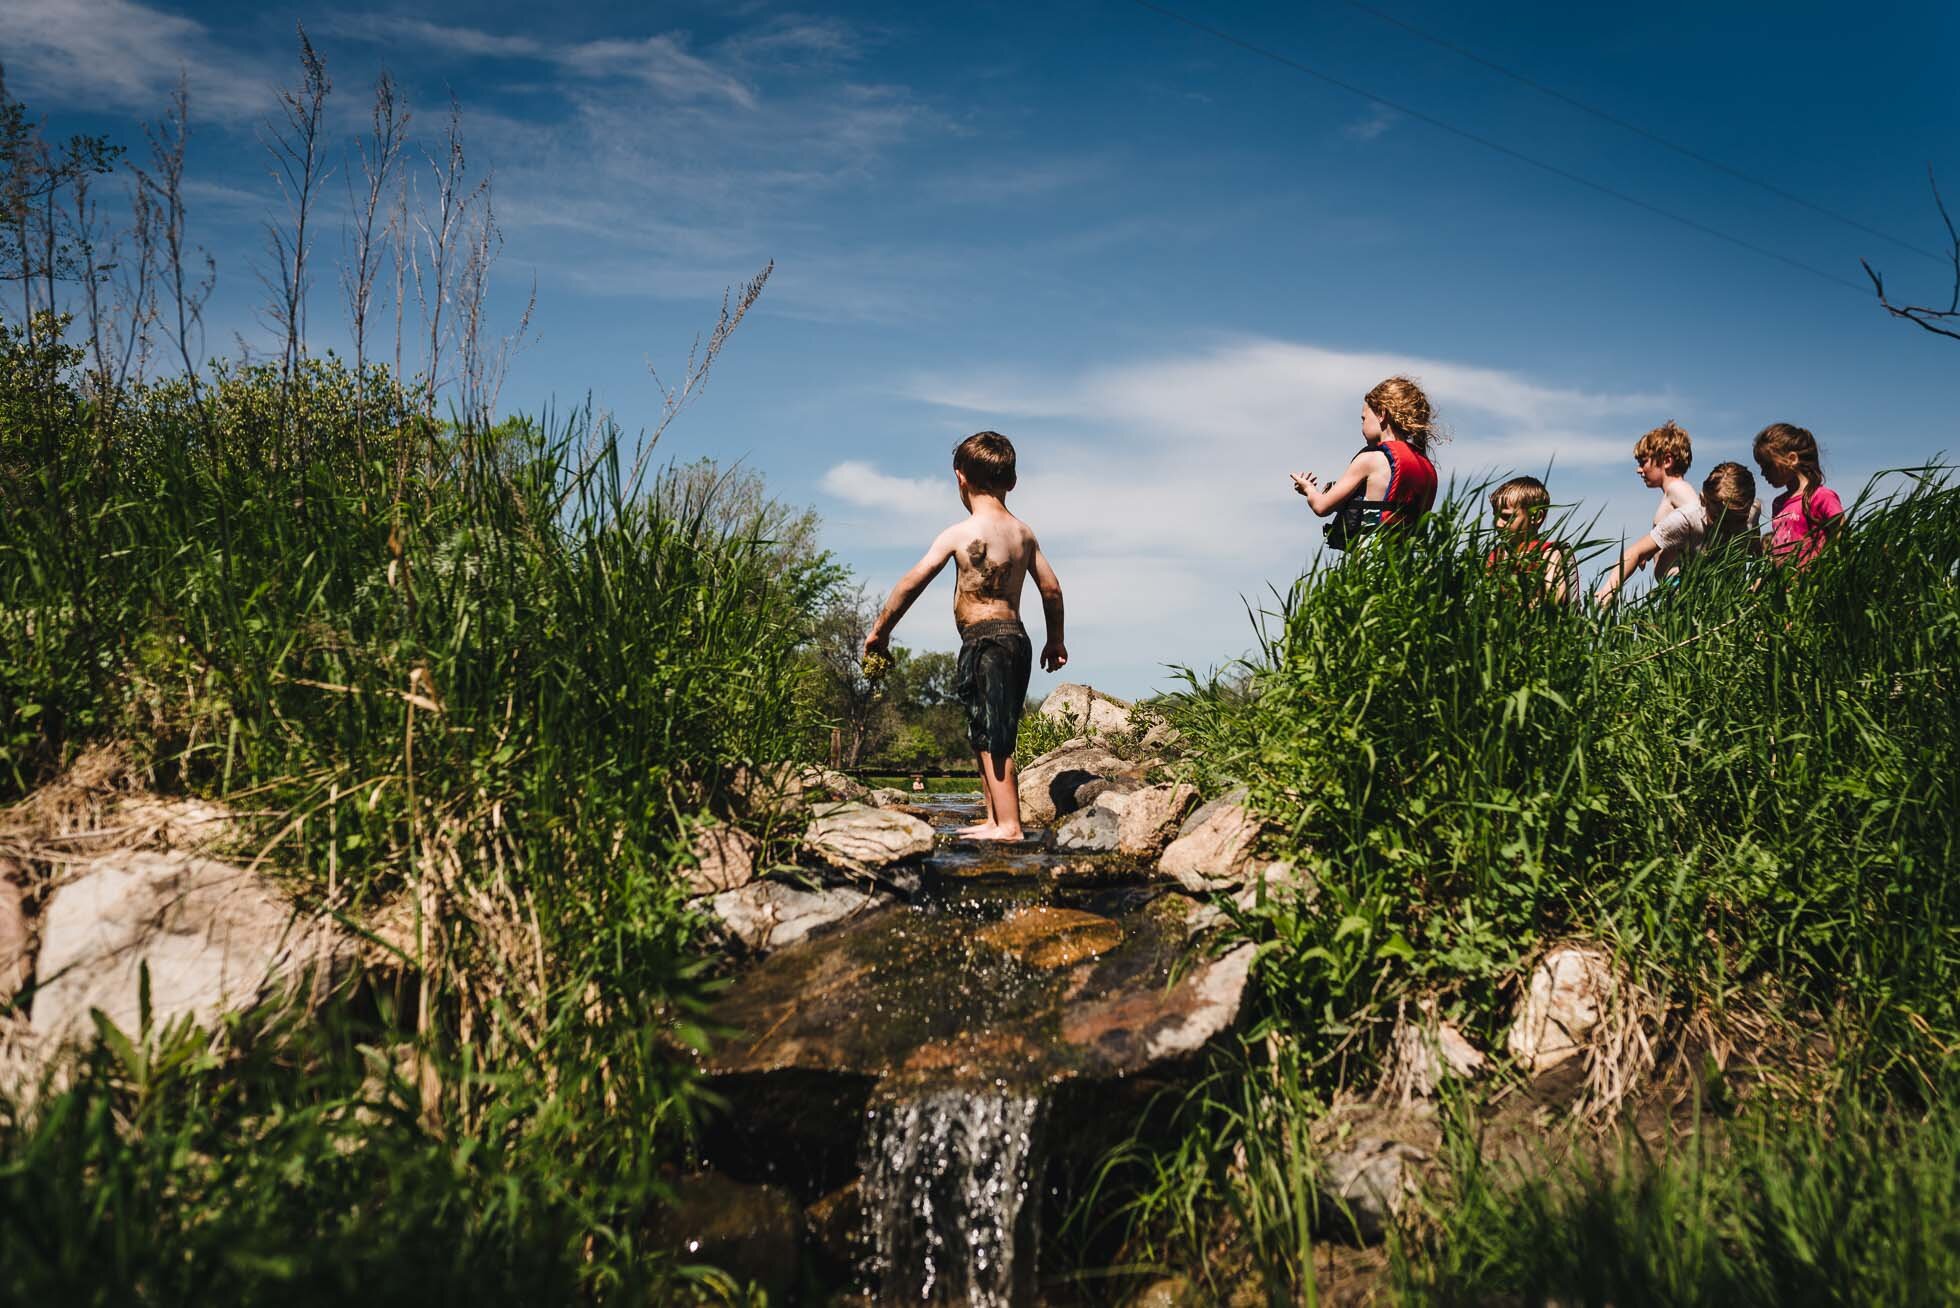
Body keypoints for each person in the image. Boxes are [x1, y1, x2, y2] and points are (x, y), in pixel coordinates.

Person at [863, 431, 1066, 841]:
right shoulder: (1024, 534)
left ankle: (1009, 826)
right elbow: (1051, 589)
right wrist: (1055, 639)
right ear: (1012, 482)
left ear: (961, 479)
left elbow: (912, 582)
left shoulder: (960, 533)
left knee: (993, 733)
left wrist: (880, 630)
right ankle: (994, 817)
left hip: (984, 640)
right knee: (985, 727)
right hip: (1017, 638)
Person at [1291, 375, 1440, 550]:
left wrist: (1308, 489)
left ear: (1382, 414)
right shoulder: (1424, 465)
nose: (1362, 425)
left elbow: (1321, 507)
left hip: (1370, 559)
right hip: (1404, 562)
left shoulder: (1370, 460)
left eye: (1364, 418)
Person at [1595, 421, 1701, 606]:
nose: (1639, 470)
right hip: (1675, 585)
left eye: (1643, 462)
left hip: (1681, 584)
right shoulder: (1671, 494)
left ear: (1667, 461)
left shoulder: (1678, 489)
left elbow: (1697, 519)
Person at [1753, 422, 1844, 565]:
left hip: (1811, 583)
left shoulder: (1821, 496)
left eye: (1768, 465)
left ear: (1792, 459)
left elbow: (1842, 535)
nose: (1763, 473)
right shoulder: (1778, 504)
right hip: (1784, 585)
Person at [1485, 475, 1572, 602]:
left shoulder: (1548, 554)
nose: (1498, 523)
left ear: (1536, 516)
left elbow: (1557, 597)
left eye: (1506, 516)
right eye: (1496, 516)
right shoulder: (1495, 557)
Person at [1700, 461, 1762, 555]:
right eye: (1718, 518)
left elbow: (1755, 548)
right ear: (1704, 501)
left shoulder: (1754, 511)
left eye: (1738, 520)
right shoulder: (1689, 521)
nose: (1729, 527)